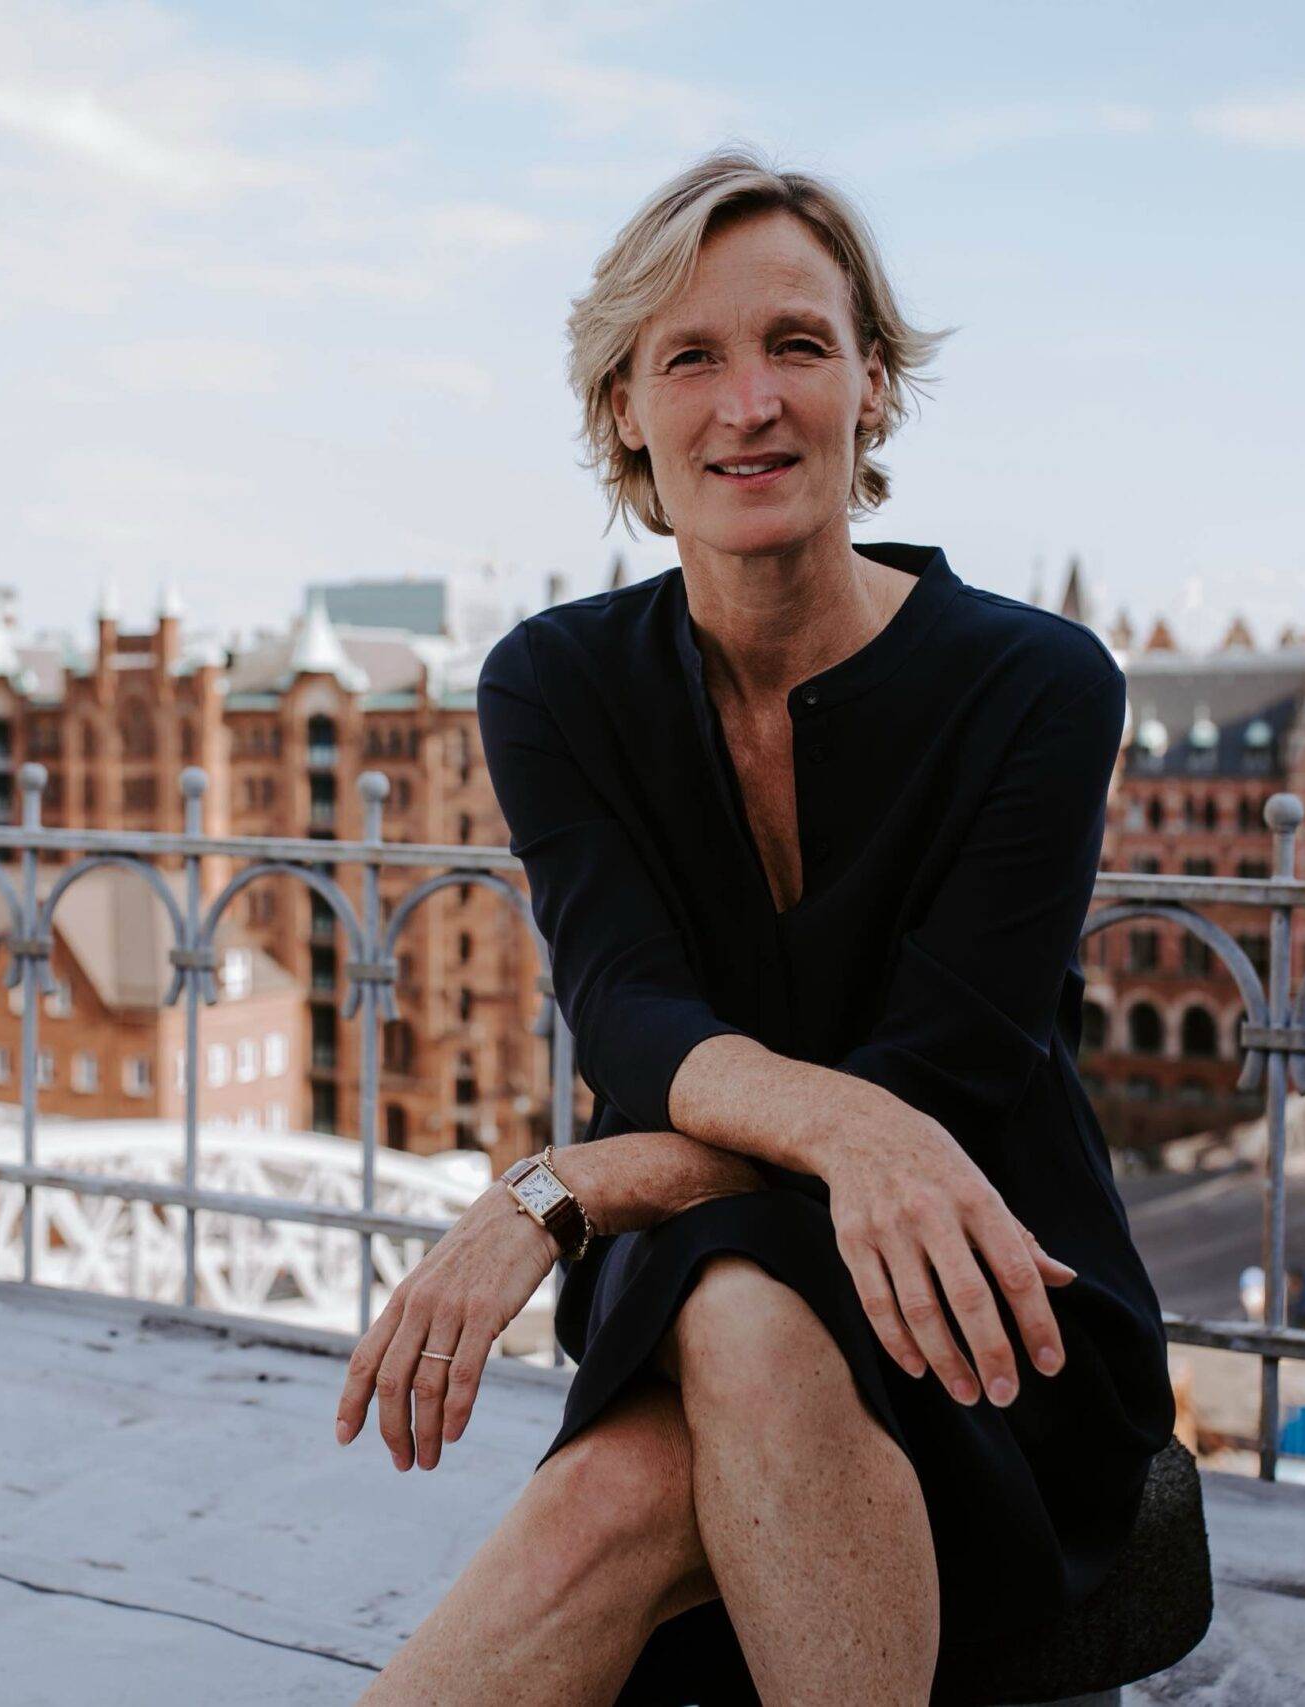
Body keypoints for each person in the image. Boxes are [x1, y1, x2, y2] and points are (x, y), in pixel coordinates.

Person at [333, 146, 1175, 1705]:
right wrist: (836, 1134)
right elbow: (630, 1008)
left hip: (990, 1284)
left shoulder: (1040, 687)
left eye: (798, 344)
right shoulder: (554, 682)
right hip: (699, 1272)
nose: (751, 403)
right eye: (691, 359)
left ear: (872, 385)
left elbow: (940, 1075)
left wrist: (578, 1186)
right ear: (624, 411)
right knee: (726, 1316)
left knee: (659, 1428)